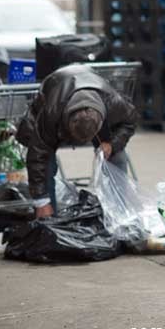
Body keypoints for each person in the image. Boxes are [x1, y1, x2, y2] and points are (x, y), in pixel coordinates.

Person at [16, 64, 137, 218]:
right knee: (46, 164)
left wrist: (112, 144)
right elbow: (38, 156)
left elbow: (130, 122)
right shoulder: (51, 113)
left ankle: (118, 216)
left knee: (116, 156)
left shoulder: (113, 103)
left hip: (90, 93)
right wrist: (41, 201)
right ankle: (48, 221)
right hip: (56, 92)